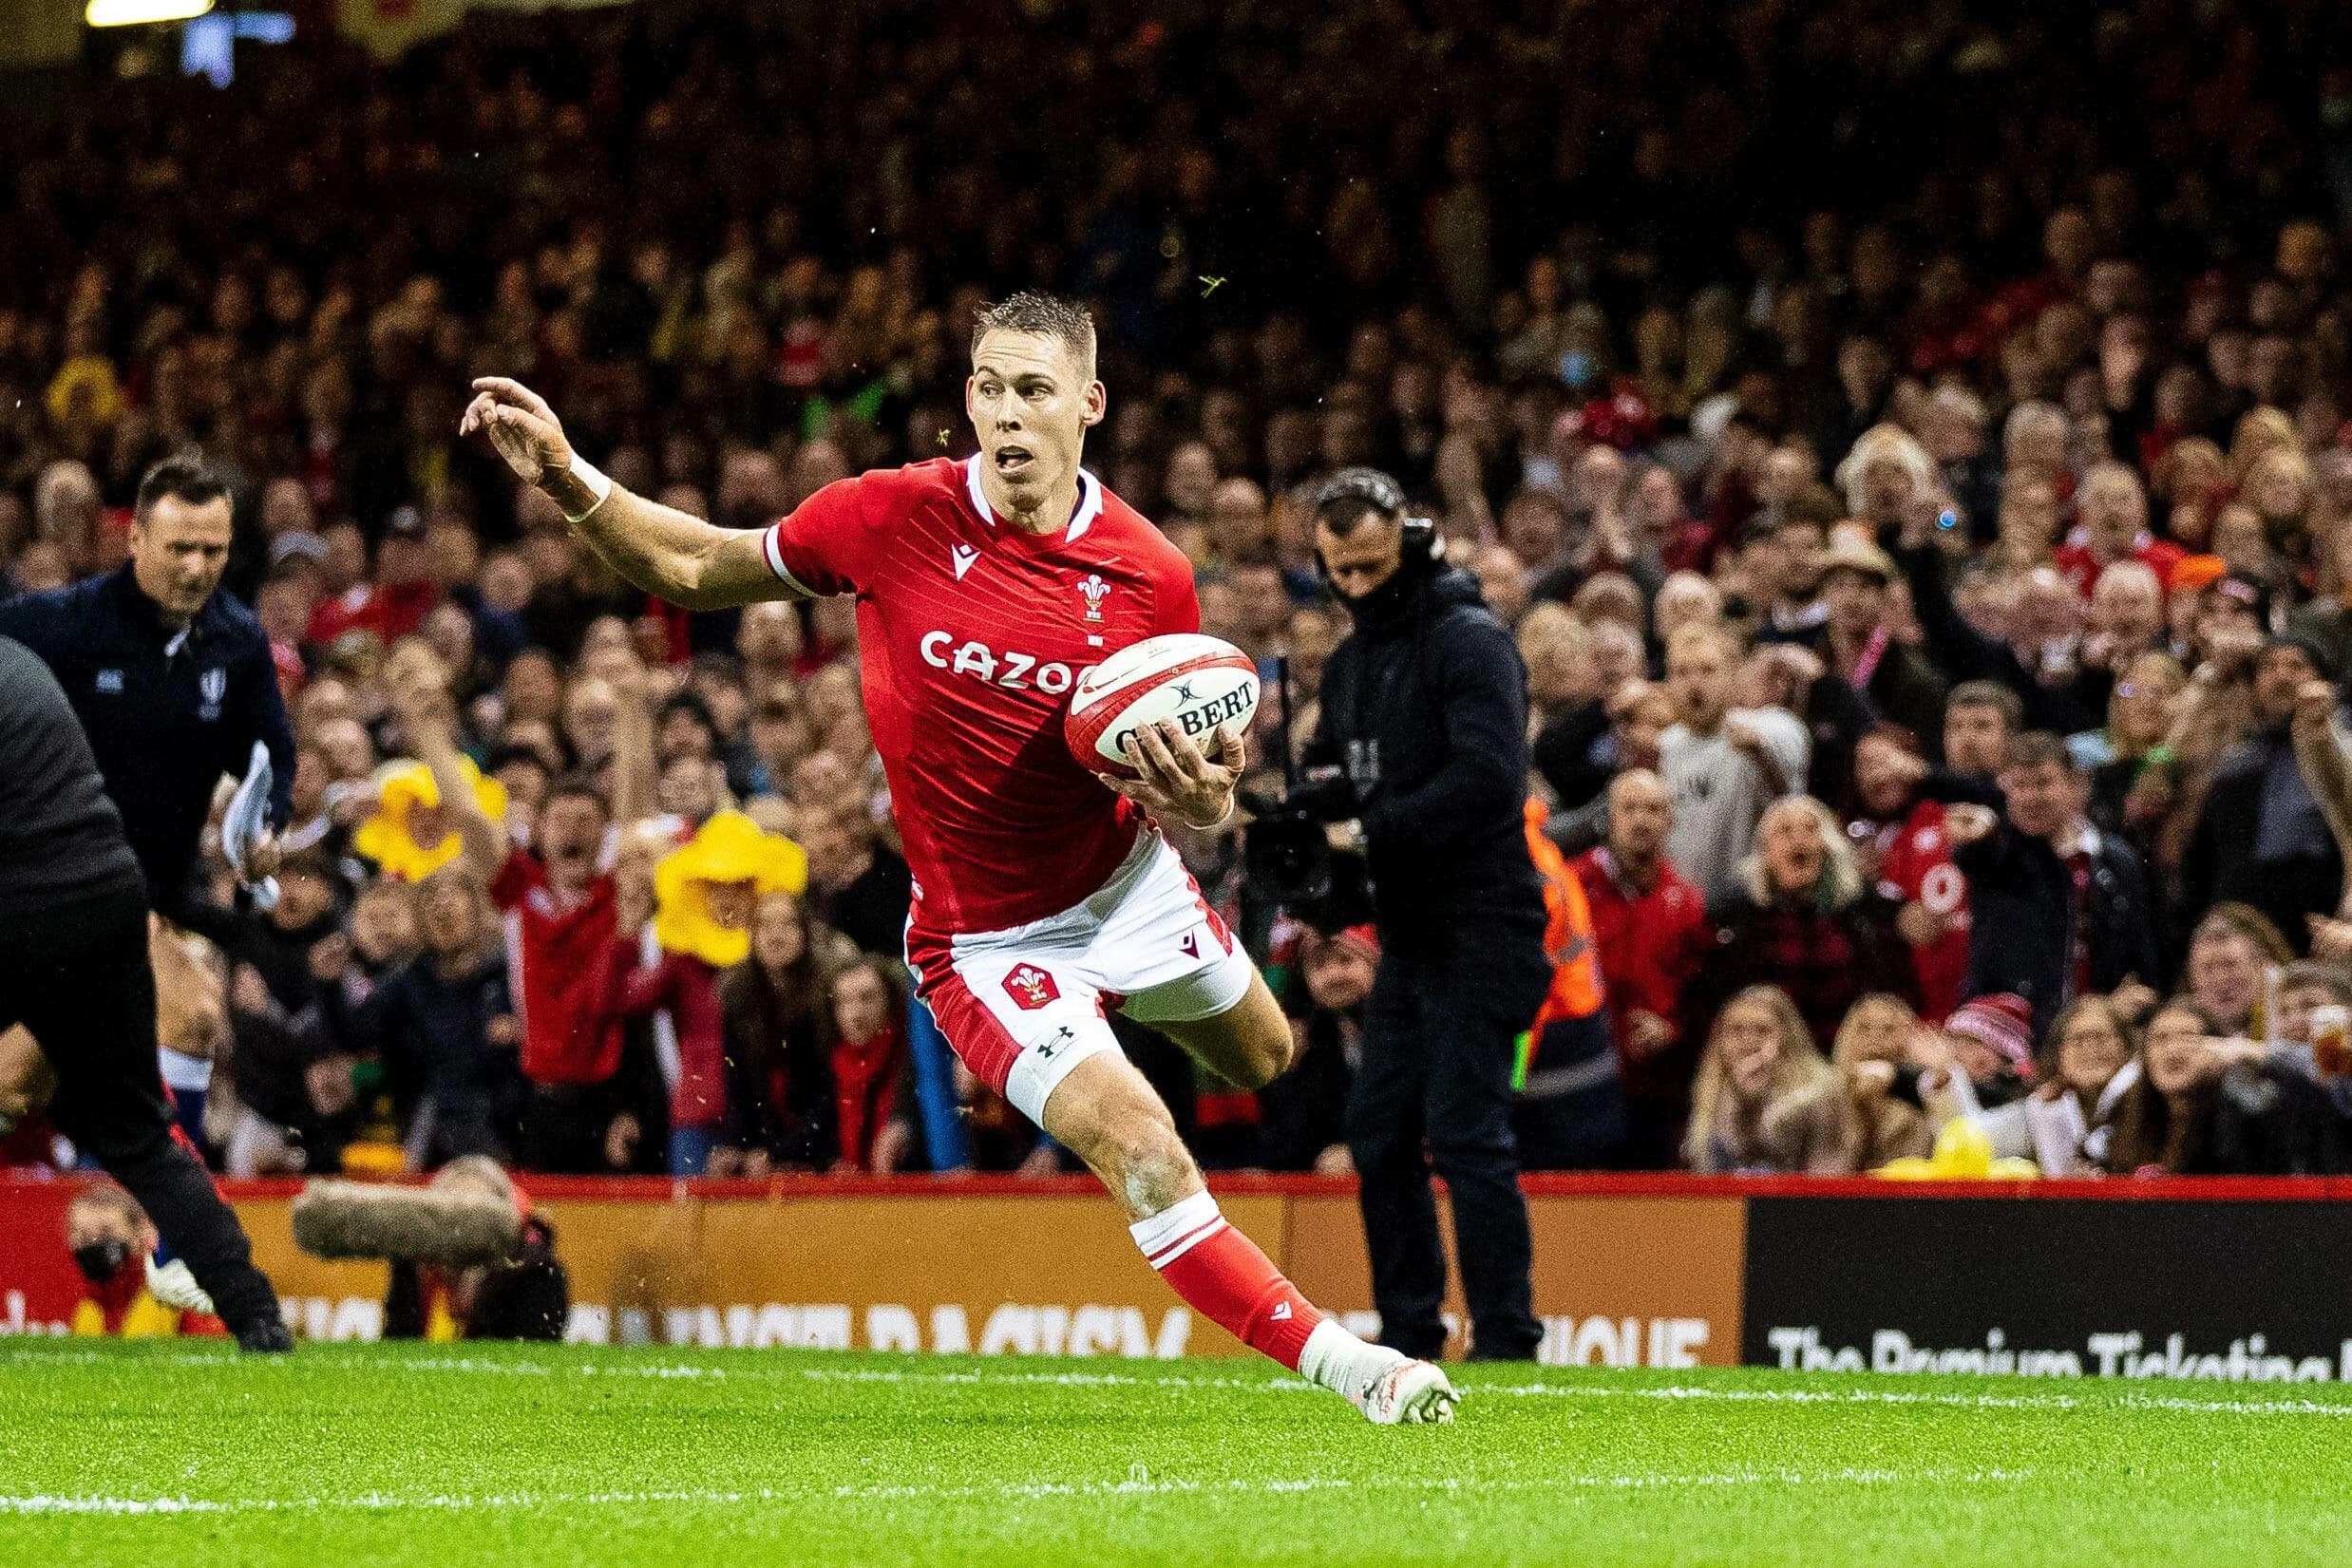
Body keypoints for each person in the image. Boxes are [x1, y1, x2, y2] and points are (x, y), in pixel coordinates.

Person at [461, 293, 1455, 1421]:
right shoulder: (890, 516)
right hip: (984, 939)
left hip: (1124, 883)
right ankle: (1352, 1367)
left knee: (1262, 1056)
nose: (1008, 412)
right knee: (1143, 1147)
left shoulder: (1151, 576)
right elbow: (695, 567)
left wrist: (1209, 799)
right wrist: (563, 475)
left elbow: (1204, 785)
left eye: (1035, 389)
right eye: (989, 386)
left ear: (1089, 404)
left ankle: (1099, 1022)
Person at [1299, 465, 1552, 1366]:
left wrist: (1361, 832)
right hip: (1411, 932)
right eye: (1342, 573)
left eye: (1371, 567)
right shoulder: (1352, 661)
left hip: (1484, 921)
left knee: (1465, 1130)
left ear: (1407, 540)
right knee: (1379, 1129)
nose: (1359, 588)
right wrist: (1306, 809)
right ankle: (1410, 1328)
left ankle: (1508, 1338)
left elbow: (1488, 781)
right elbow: (1331, 766)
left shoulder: (1469, 639)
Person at [0, 633, 290, 1350]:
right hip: (107, 894)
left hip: (28, 900)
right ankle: (256, 1316)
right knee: (138, 1133)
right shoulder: (21, 660)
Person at [0, 452, 297, 1144]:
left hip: (150, 890)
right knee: (192, 1012)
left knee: (21, 1076)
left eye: (213, 550)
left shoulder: (237, 642)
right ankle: (176, 1247)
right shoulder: (65, 624)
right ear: (134, 540)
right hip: (56, 885)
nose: (196, 567)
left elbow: (271, 755)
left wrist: (268, 827)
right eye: (179, 549)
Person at [1946, 732, 2164, 1040]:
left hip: (2097, 1034)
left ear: (2075, 784)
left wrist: (2135, 999)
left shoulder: (2116, 858)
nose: (2030, 797)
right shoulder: (2000, 850)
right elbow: (1974, 856)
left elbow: (2142, 952)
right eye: (2019, 785)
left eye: (2042, 783)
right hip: (2009, 1035)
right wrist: (1980, 834)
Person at [1693, 794, 1915, 1054]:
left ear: (1828, 846)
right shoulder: (1732, 911)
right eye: (1784, 830)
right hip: (1762, 1054)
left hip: (1840, 1054)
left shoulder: (1863, 909)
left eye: (1810, 829)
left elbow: (1890, 995)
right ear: (1766, 850)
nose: (1798, 839)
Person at [1572, 769, 1711, 1169]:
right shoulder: (1571, 888)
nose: (1641, 819)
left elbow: (1696, 992)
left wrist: (1672, 1028)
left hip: (1654, 1089)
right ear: (1609, 818)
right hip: (1583, 1078)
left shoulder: (1687, 904)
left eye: (1653, 809)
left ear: (1670, 819)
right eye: (1628, 808)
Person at [1659, 622, 1810, 903]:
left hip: (1749, 904)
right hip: (1681, 907)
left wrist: (1761, 754)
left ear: (1732, 675)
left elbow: (1794, 803)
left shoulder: (1768, 729)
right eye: (1682, 672)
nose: (1694, 683)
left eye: (1707, 670)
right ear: (1668, 682)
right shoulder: (1664, 747)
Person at [1683, 985, 1859, 1175]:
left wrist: (1750, 1104)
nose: (1748, 1042)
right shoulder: (1712, 1090)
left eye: (1762, 1030)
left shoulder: (1821, 1091)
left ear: (1787, 1036)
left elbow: (1827, 1178)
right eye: (1735, 1030)